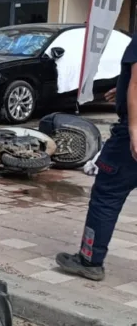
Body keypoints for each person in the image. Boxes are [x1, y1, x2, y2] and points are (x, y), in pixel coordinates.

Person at [55, 46, 137, 281]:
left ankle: (89, 260)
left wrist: (134, 129)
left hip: (127, 142)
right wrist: (122, 88)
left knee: (107, 195)